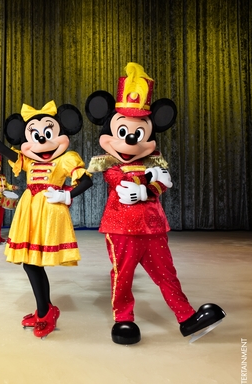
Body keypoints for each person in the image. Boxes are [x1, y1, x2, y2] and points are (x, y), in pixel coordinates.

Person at [85, 62, 225, 344]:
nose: (131, 139)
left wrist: (153, 183)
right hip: (122, 229)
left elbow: (162, 184)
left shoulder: (154, 162)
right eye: (123, 132)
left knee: (167, 275)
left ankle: (186, 318)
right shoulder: (110, 164)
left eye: (139, 132)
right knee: (122, 276)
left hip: (153, 228)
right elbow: (124, 188)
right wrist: (150, 183)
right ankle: (123, 320)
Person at [0, 100, 93, 339]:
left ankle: (46, 312)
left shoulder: (66, 159)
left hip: (50, 212)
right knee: (31, 263)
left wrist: (66, 194)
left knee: (33, 263)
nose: (42, 140)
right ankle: (45, 310)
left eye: (48, 133)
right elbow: (8, 153)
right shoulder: (29, 161)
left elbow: (86, 181)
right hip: (30, 211)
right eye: (35, 135)